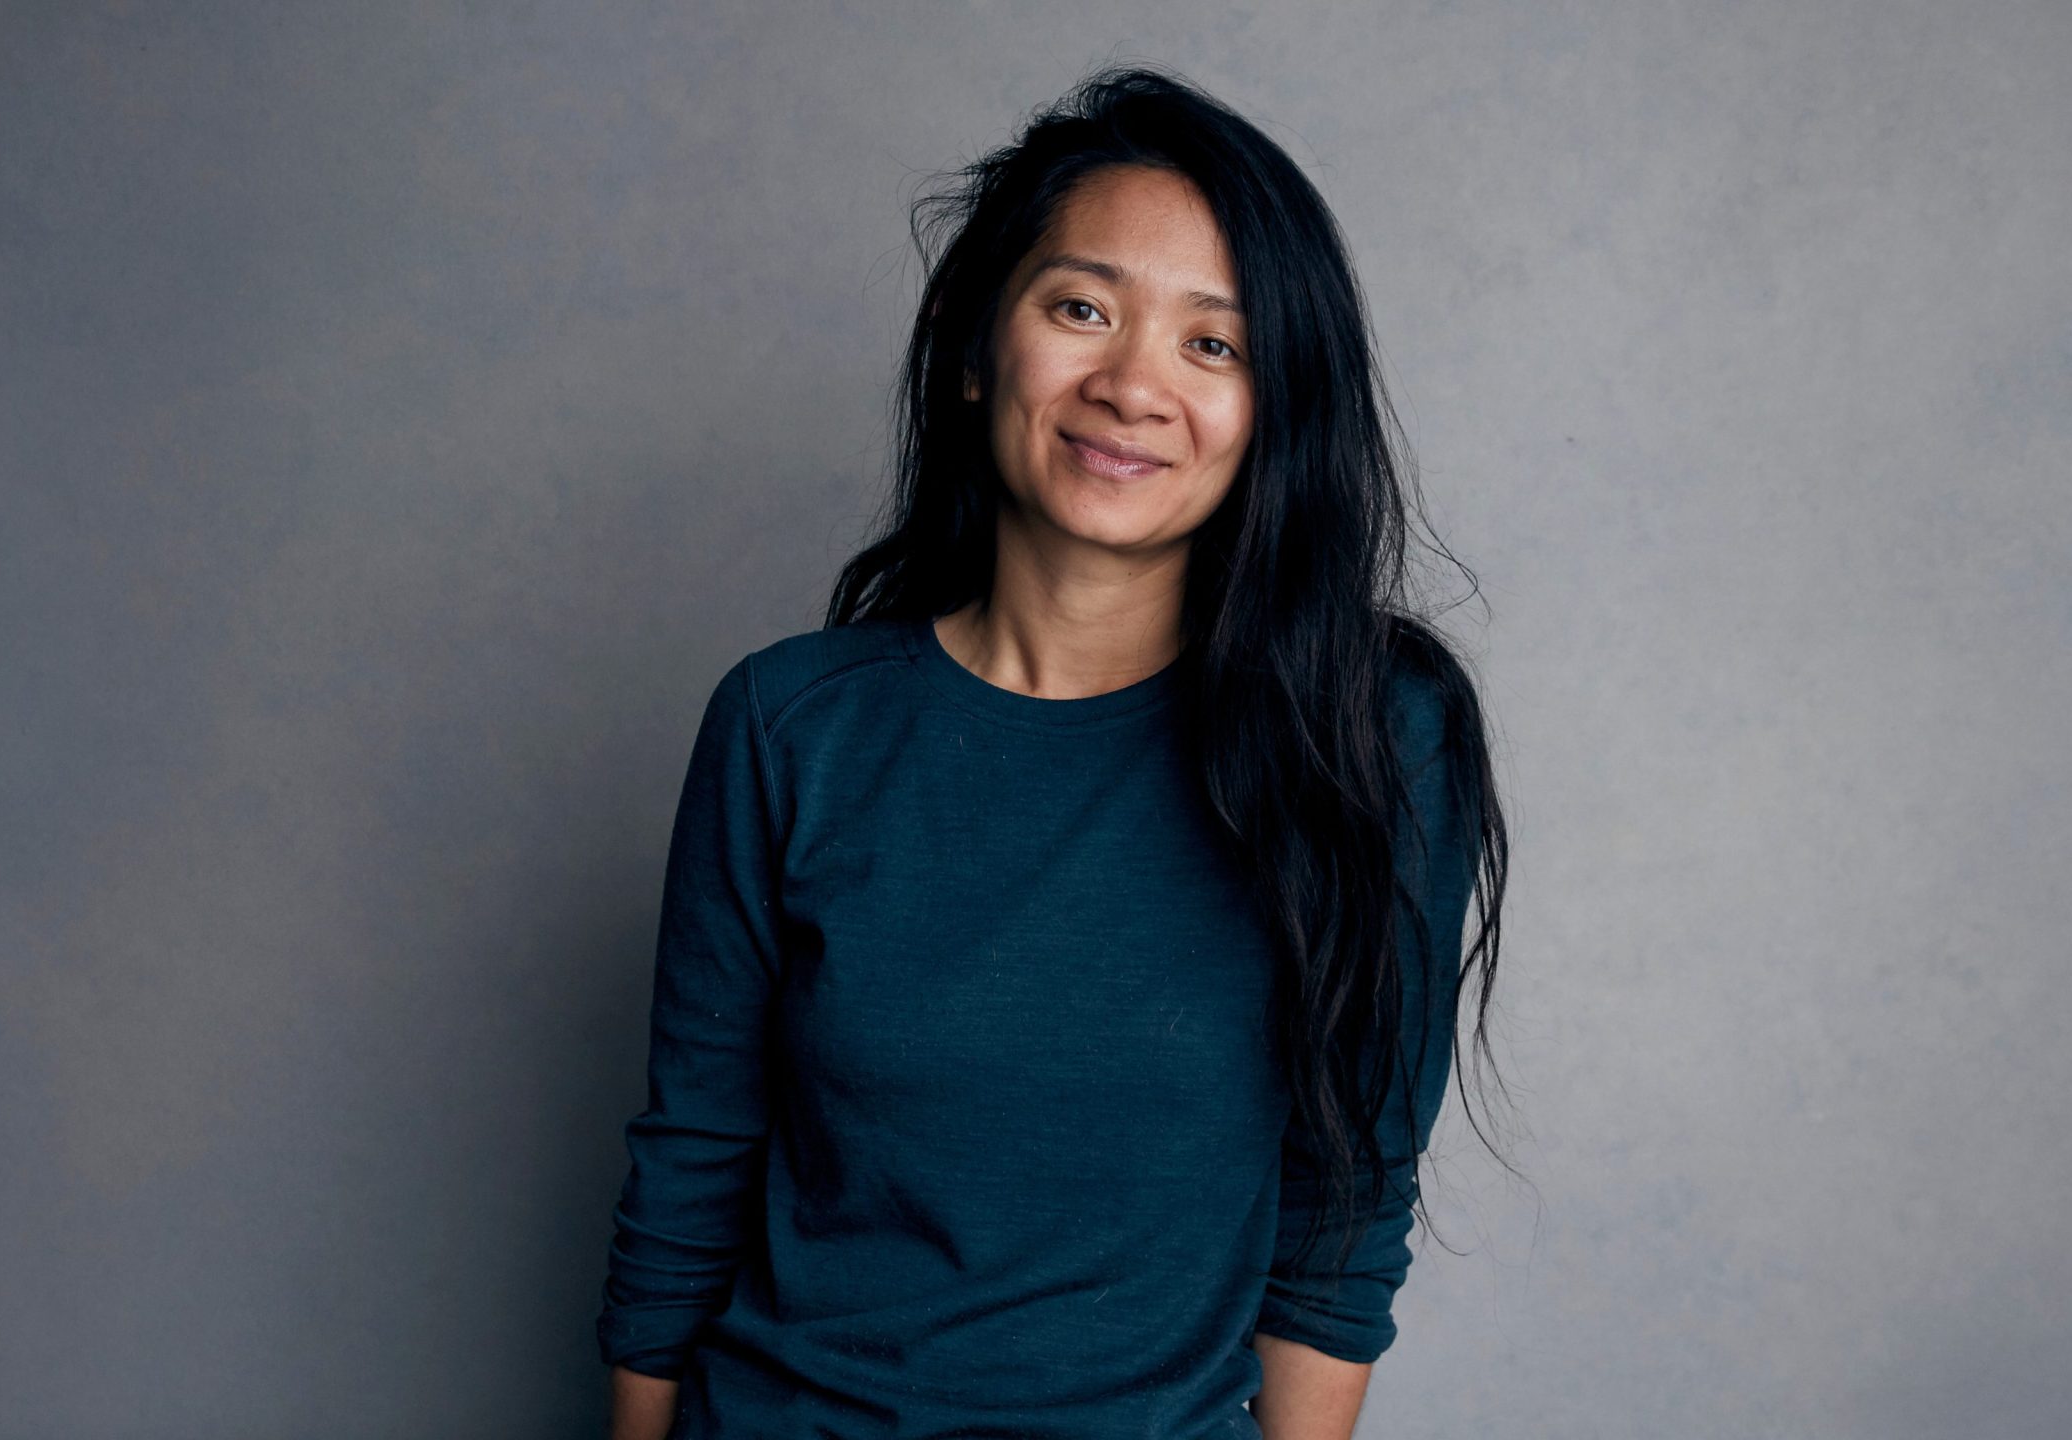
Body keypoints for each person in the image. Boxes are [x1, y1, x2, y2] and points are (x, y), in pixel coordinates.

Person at [597, 64, 1512, 1440]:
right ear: (976, 345)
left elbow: (1347, 1201)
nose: (1135, 384)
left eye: (1217, 345)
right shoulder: (792, 726)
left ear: (1275, 411)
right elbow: (692, 1164)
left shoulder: (1371, 736)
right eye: (1081, 308)